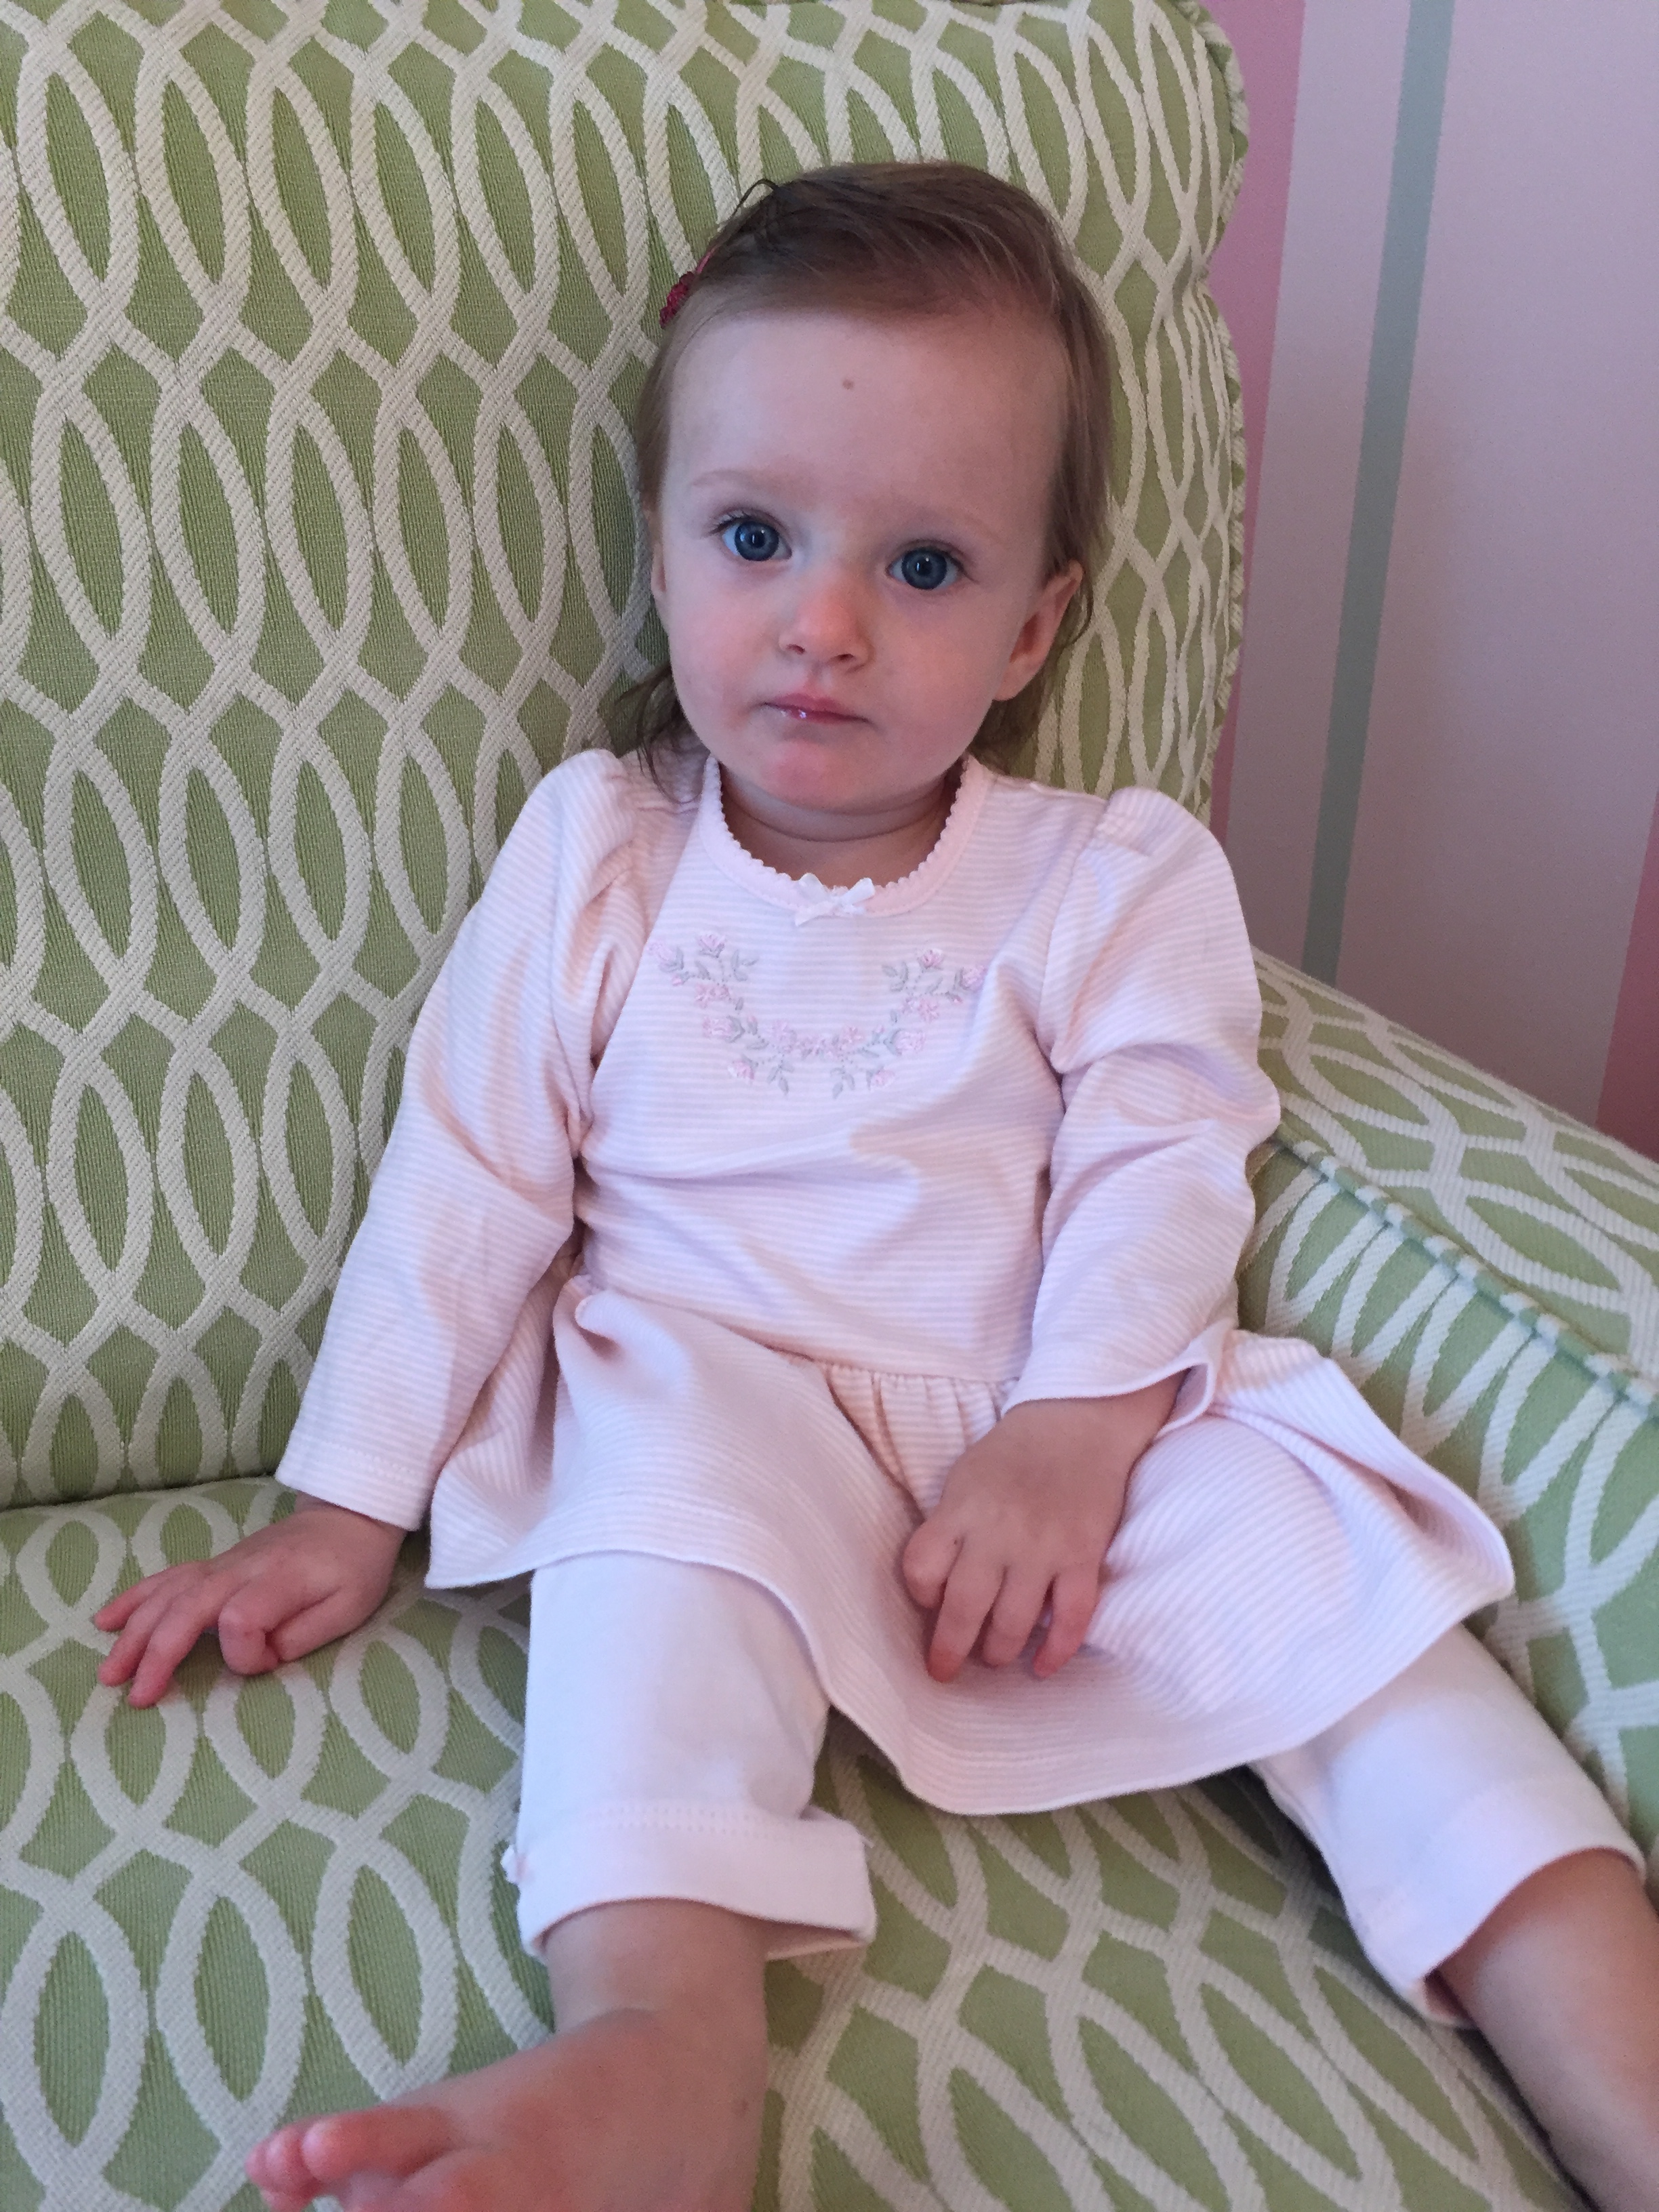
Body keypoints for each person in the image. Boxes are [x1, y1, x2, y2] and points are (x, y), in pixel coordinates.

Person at [95, 164, 1659, 2212]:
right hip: (713, 1397)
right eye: (755, 538)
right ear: (663, 550)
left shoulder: (1111, 876)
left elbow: (1165, 1155)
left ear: (1036, 625)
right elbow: (468, 1176)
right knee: (643, 1555)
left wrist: (1076, 1435)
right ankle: (662, 2048)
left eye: (923, 566)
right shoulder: (602, 852)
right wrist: (345, 1500)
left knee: (1354, 1606)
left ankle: (1615, 2065)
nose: (823, 626)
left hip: (1054, 1426)